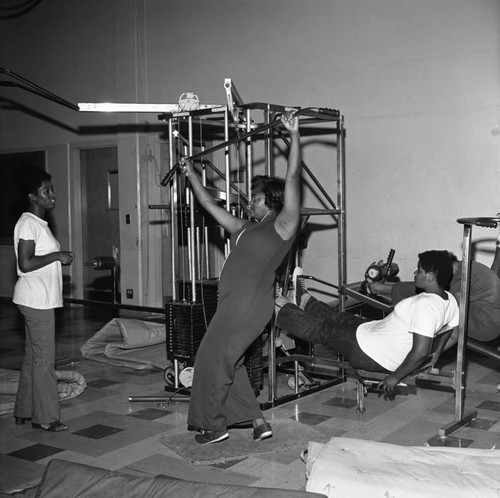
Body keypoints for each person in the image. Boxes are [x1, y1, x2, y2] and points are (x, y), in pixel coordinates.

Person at [185, 112, 302, 444]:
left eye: (257, 197)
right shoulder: (245, 227)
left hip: (248, 306)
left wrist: (294, 136)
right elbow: (208, 204)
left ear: (273, 203)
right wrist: (190, 173)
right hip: (233, 305)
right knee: (231, 361)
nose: (250, 200)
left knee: (210, 358)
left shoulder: (283, 225)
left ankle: (214, 425)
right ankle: (257, 422)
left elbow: (293, 178)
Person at [275, 251, 459, 397]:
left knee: (323, 330)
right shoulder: (449, 299)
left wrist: (395, 377)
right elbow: (453, 335)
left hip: (371, 352)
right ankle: (304, 299)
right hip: (373, 335)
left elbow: (420, 351)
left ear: (430, 276)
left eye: (419, 270)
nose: (415, 273)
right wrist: (432, 358)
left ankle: (278, 305)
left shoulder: (425, 306)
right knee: (339, 318)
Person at [13, 169, 73, 432]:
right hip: (36, 301)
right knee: (44, 360)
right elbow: (25, 263)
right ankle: (46, 417)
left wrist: (57, 256)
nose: (52, 195)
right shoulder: (28, 223)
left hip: (39, 299)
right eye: (46, 191)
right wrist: (57, 256)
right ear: (32, 197)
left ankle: (25, 411)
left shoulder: (37, 224)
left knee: (32, 357)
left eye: (52, 189)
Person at [369, 251, 500, 343]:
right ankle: (381, 288)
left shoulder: (462, 276)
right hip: (487, 320)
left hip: (483, 325)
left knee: (431, 294)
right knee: (431, 290)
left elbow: (451, 304)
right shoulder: (464, 267)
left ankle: (380, 288)